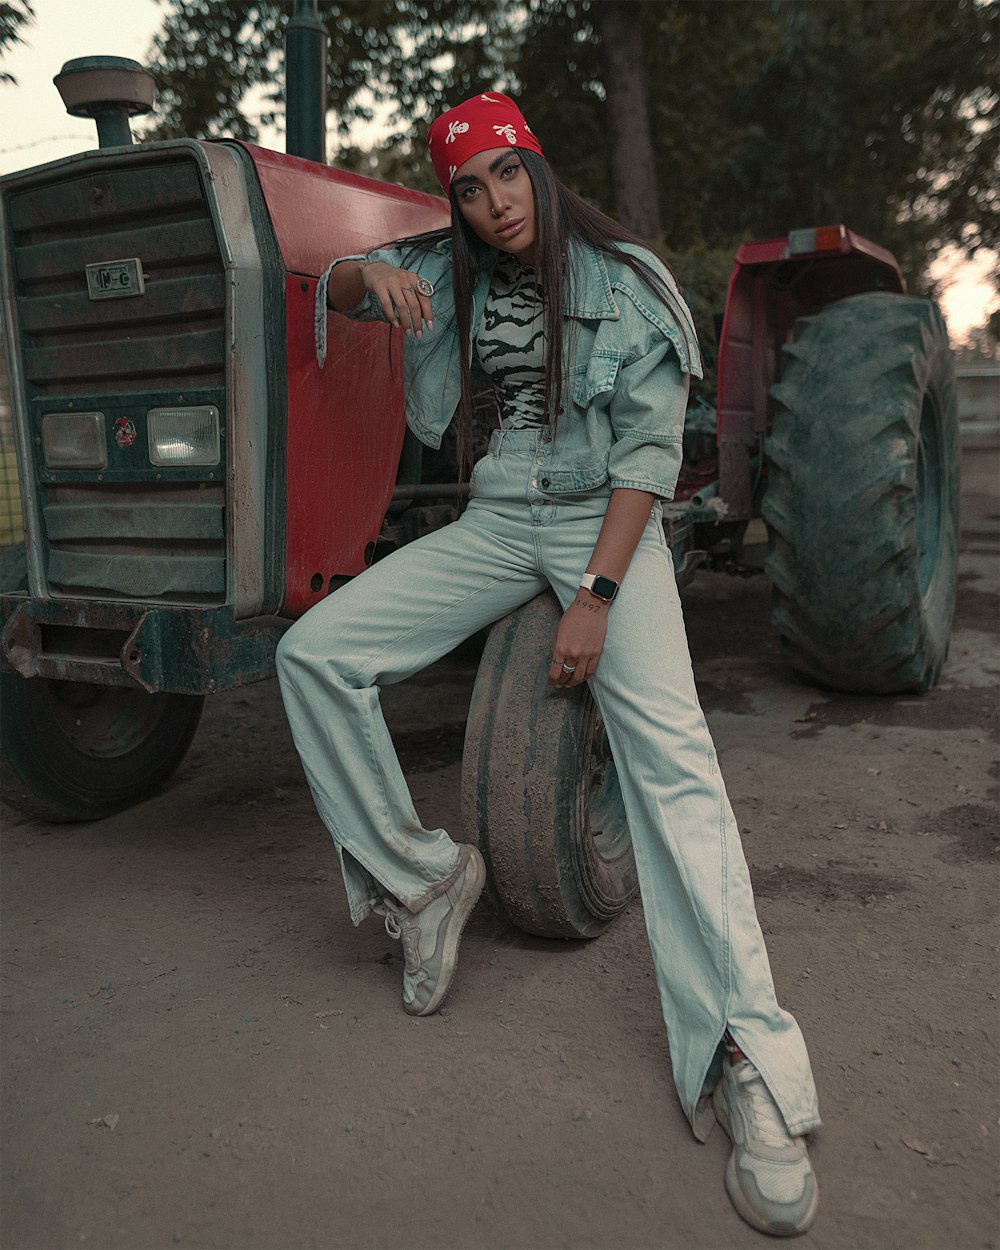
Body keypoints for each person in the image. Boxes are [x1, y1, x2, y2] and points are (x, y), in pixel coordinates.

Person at [277, 91, 821, 1238]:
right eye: (468, 189)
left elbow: (645, 459)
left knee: (673, 760)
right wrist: (356, 282)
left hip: (598, 522)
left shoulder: (626, 280)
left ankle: (750, 1061)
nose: (492, 203)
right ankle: (420, 879)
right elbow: (322, 295)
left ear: (538, 166)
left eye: (505, 176)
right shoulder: (451, 267)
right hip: (493, 518)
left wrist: (599, 596)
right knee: (314, 652)